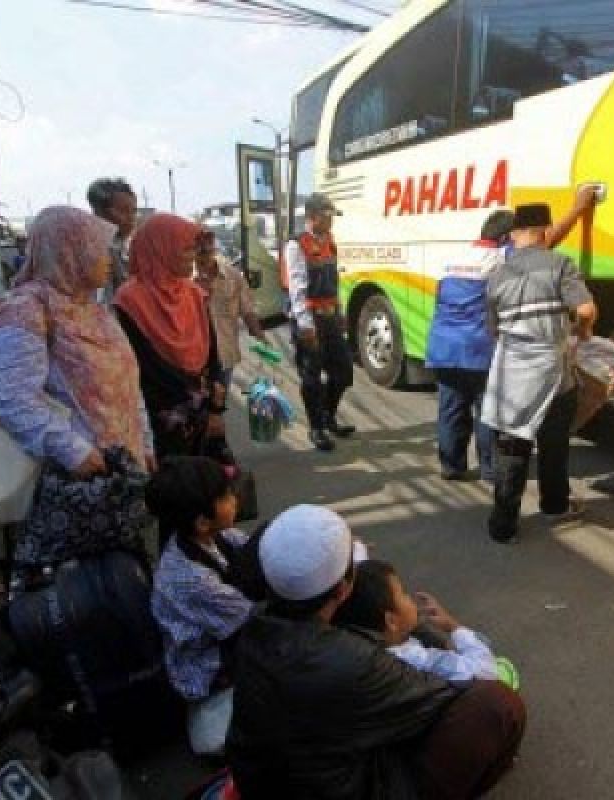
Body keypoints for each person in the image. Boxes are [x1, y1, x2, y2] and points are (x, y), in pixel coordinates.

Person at [227, 504, 525, 799]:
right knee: (497, 704)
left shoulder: (259, 622)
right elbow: (448, 693)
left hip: (268, 779)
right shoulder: (352, 661)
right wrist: (452, 635)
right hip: (338, 787)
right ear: (343, 590)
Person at [0, 206, 156, 566]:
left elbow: (128, 381)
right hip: (73, 478)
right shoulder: (26, 309)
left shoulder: (92, 308)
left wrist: (144, 442)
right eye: (96, 247)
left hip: (116, 473)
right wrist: (72, 451)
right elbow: (9, 396)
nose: (107, 258)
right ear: (68, 251)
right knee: (80, 584)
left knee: (122, 573)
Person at [425, 190, 596, 482]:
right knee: (487, 412)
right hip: (478, 349)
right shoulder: (501, 259)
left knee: (450, 408)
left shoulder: (451, 257)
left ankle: (451, 466)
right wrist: (578, 209)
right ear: (507, 237)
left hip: (442, 347)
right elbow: (545, 240)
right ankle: (491, 470)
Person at [481, 203, 598, 543]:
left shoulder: (497, 275)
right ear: (546, 231)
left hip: (511, 369)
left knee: (512, 445)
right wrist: (583, 331)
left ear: (515, 235)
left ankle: (502, 526)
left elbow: (493, 330)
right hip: (552, 371)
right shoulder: (560, 265)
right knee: (553, 442)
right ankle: (554, 504)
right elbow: (587, 309)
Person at [148, 457, 253, 756]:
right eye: (225, 496)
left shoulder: (215, 538)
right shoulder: (191, 579)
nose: (234, 498)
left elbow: (256, 551)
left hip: (225, 641)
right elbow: (255, 617)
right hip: (208, 674)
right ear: (202, 520)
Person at [115, 214, 230, 463]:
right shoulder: (129, 300)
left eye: (193, 248)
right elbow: (141, 364)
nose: (193, 255)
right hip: (160, 419)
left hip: (202, 413)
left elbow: (212, 354)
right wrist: (193, 397)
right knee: (177, 489)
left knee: (210, 486)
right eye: (186, 249)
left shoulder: (192, 293)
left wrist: (214, 409)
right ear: (161, 249)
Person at [335, 559, 498, 683]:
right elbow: (486, 671)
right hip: (457, 696)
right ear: (391, 621)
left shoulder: (352, 644)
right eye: (403, 593)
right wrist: (454, 627)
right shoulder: (416, 659)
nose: (409, 597)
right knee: (484, 650)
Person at [285, 193, 355, 452]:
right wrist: (305, 326)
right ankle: (317, 428)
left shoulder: (329, 241)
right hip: (309, 320)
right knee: (311, 377)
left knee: (344, 372)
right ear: (313, 216)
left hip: (330, 318)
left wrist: (340, 312)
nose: (331, 222)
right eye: (328, 216)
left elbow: (334, 282)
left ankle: (327, 415)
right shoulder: (296, 245)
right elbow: (297, 290)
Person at [195, 229, 269, 390]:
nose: (204, 248)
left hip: (224, 353)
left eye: (208, 243)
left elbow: (248, 309)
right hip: (194, 356)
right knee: (196, 406)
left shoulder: (233, 275)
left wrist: (260, 336)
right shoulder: (185, 279)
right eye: (199, 244)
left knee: (218, 403)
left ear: (214, 247)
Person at [87, 177, 138, 304]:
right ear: (99, 212)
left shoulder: (125, 248)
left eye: (133, 211)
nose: (131, 218)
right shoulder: (96, 252)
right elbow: (102, 303)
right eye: (123, 211)